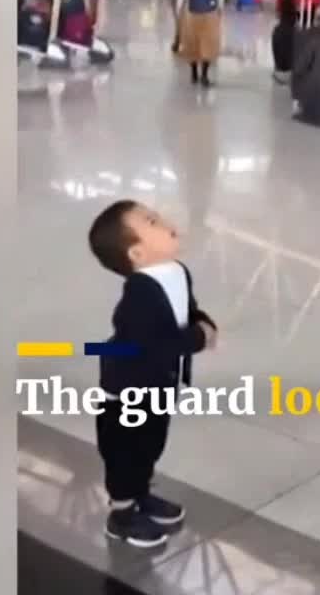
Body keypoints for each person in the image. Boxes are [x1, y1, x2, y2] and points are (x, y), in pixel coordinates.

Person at [87, 199, 218, 549]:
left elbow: (185, 310)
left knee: (150, 444)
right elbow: (153, 342)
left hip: (157, 384)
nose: (165, 221)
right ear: (137, 254)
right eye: (152, 222)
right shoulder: (140, 294)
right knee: (125, 451)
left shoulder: (176, 272)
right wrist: (197, 338)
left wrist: (202, 321)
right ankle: (122, 514)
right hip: (128, 390)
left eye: (158, 217)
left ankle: (141, 494)